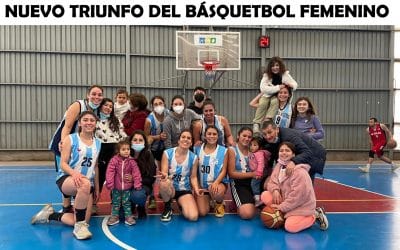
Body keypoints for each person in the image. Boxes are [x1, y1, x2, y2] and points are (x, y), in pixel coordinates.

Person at [31, 111, 101, 240]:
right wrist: (75, 174)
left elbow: (95, 166)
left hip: (86, 184)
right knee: (84, 185)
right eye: (85, 120)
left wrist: (96, 187)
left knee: (81, 219)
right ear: (80, 123)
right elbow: (63, 164)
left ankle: (49, 215)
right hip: (67, 179)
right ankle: (80, 228)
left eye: (92, 120)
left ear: (96, 123)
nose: (89, 122)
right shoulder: (71, 139)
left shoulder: (98, 143)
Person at [48, 85, 103, 213]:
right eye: (94, 94)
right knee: (66, 172)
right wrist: (63, 142)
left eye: (100, 94)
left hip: (81, 143)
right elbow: (67, 127)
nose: (97, 97)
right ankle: (66, 208)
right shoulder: (78, 105)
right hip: (65, 142)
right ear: (88, 95)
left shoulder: (96, 110)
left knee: (79, 173)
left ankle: (77, 205)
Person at [260, 141, 329, 233]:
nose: (284, 153)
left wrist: (281, 207)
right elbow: (272, 182)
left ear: (293, 154)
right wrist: (275, 190)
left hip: (300, 205)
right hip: (286, 200)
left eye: (287, 151)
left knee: (290, 227)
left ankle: (314, 215)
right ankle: (284, 215)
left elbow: (297, 197)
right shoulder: (279, 166)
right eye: (281, 150)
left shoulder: (299, 172)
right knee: (265, 195)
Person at [260, 120, 327, 181]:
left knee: (303, 182)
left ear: (277, 129)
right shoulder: (268, 140)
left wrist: (293, 162)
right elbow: (273, 153)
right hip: (301, 153)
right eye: (264, 134)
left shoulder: (289, 137)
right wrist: (269, 172)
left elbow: (307, 152)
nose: (267, 136)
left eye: (269, 132)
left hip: (315, 155)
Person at [159, 129, 200, 222]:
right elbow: (164, 172)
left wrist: (196, 189)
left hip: (184, 190)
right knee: (164, 183)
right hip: (170, 188)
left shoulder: (194, 158)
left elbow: (193, 177)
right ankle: (168, 206)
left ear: (191, 143)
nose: (186, 139)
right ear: (178, 140)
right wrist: (165, 176)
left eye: (188, 138)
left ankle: (181, 203)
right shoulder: (167, 153)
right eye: (183, 137)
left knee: (193, 217)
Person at [252, 56, 298, 133]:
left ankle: (268, 120)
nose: (275, 67)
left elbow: (295, 84)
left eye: (277, 65)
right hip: (267, 95)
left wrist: (291, 85)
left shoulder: (285, 75)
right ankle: (256, 123)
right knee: (262, 103)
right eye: (273, 66)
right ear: (270, 67)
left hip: (276, 97)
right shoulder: (266, 76)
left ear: (280, 66)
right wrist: (278, 87)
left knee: (274, 102)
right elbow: (263, 88)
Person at [193, 125, 229, 218]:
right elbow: (194, 171)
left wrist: (216, 183)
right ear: (205, 136)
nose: (211, 136)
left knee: (216, 191)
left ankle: (218, 202)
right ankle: (209, 199)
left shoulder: (223, 151)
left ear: (218, 136)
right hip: (202, 186)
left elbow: (224, 170)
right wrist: (196, 187)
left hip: (217, 184)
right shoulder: (197, 149)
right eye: (209, 134)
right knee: (202, 212)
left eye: (214, 134)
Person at [95, 98, 127, 201]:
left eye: (110, 106)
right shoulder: (94, 119)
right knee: (99, 177)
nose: (108, 108)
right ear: (100, 106)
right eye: (106, 105)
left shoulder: (116, 120)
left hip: (114, 149)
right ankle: (95, 202)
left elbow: (122, 136)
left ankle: (116, 201)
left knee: (116, 177)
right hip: (100, 150)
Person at [105, 140, 142, 226]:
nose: (126, 151)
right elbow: (110, 172)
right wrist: (110, 183)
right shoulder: (114, 160)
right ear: (118, 151)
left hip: (127, 188)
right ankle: (114, 217)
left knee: (126, 203)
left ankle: (128, 216)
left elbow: (136, 173)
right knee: (115, 202)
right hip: (116, 188)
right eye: (123, 149)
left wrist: (137, 184)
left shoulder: (132, 161)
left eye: (128, 149)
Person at [144, 95, 168, 209]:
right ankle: (152, 197)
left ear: (164, 104)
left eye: (160, 103)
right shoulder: (149, 120)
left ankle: (165, 195)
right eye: (156, 104)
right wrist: (158, 137)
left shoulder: (169, 115)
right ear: (152, 107)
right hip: (153, 149)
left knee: (165, 173)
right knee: (152, 174)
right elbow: (146, 137)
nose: (159, 106)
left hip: (167, 149)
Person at [227, 127, 256, 219]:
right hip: (239, 182)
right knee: (247, 214)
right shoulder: (232, 150)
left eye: (249, 137)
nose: (247, 138)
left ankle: (241, 202)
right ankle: (237, 203)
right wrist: (252, 174)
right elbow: (231, 173)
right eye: (244, 135)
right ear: (238, 136)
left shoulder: (253, 150)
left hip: (253, 183)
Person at [129, 130, 157, 218]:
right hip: (126, 186)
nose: (137, 142)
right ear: (130, 142)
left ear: (145, 143)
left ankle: (141, 206)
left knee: (138, 195)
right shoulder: (124, 154)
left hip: (142, 185)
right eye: (135, 140)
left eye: (140, 140)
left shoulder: (148, 155)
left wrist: (135, 179)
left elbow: (151, 179)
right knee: (122, 215)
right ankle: (130, 205)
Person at [248, 136, 271, 207]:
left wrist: (259, 173)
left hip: (260, 172)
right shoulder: (253, 153)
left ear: (260, 147)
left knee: (254, 183)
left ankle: (257, 199)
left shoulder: (259, 153)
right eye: (251, 145)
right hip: (257, 171)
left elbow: (261, 163)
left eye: (255, 145)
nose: (252, 147)